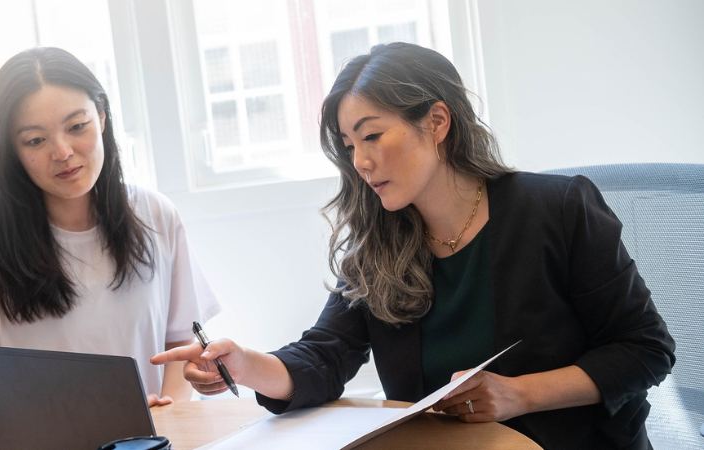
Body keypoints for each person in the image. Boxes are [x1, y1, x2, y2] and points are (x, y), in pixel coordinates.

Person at [152, 42, 674, 449]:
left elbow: (644, 349)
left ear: (437, 122)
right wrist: (242, 362)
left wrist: (520, 394)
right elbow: (325, 356)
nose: (359, 161)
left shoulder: (557, 209)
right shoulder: (379, 243)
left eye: (372, 136)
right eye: (349, 145)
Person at [0, 47, 221, 436]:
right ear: (13, 151)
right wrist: (76, 418)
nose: (62, 152)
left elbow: (180, 342)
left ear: (102, 116)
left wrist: (167, 418)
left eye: (77, 127)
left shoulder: (155, 216)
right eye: (35, 140)